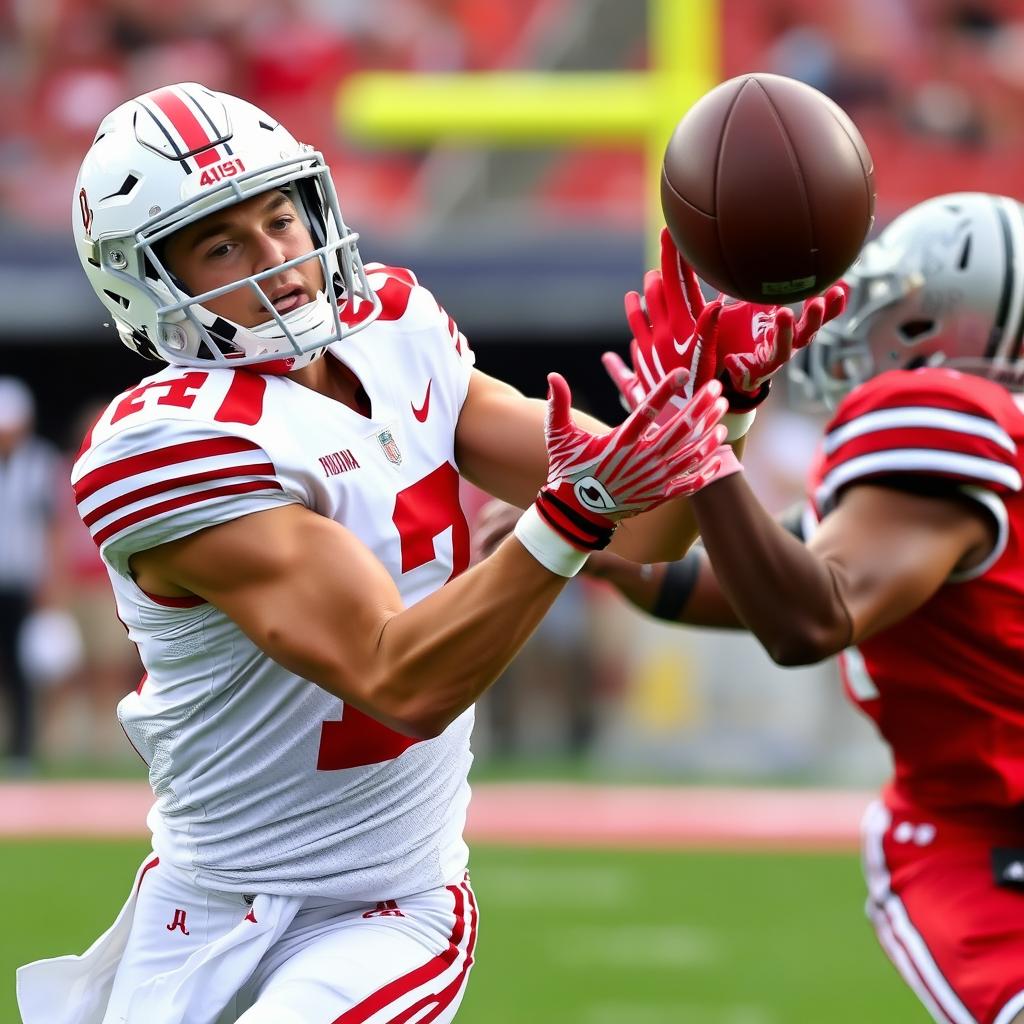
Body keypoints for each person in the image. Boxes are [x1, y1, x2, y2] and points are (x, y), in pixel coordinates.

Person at [13, 81, 832, 1024]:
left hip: (383, 908)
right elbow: (398, 674)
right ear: (149, 281)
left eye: (281, 216)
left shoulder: (397, 329)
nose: (279, 259)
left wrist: (717, 402)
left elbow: (646, 525)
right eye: (222, 244)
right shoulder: (167, 444)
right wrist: (579, 512)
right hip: (198, 906)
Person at [568, 195, 1024, 1024]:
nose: (855, 327)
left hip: (986, 840)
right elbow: (774, 575)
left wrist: (701, 446)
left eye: (892, 306)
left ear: (949, 326)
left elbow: (812, 615)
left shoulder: (951, 414)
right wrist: (594, 553)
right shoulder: (972, 462)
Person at [0, 376, 64, 770]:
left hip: (23, 580)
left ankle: (22, 750)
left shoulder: (40, 461)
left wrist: (52, 581)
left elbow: (54, 528)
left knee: (23, 667)